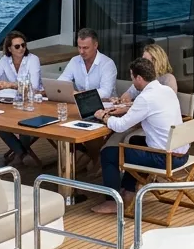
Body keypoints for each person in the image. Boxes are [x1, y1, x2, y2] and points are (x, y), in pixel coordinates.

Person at [90, 57, 185, 215]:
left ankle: (112, 202)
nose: (132, 81)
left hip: (165, 158)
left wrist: (104, 116)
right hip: (180, 152)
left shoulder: (145, 98)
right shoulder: (166, 90)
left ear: (139, 78)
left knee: (108, 154)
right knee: (134, 141)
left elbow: (120, 126)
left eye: (132, 77)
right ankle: (128, 190)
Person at [79, 44, 179, 174]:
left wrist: (104, 116)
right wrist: (122, 102)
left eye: (146, 59)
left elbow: (123, 124)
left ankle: (105, 174)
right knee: (126, 141)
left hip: (162, 148)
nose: (142, 61)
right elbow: (129, 95)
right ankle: (126, 183)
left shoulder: (164, 82)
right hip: (175, 148)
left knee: (110, 152)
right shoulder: (152, 85)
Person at [0, 30, 44, 167]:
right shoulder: (5, 60)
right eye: (17, 46)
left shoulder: (33, 60)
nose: (21, 48)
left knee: (24, 122)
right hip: (14, 101)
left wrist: (10, 84)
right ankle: (21, 152)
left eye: (23, 45)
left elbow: (33, 86)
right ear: (9, 49)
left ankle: (19, 153)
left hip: (33, 101)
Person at [59, 27, 118, 99]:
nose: (81, 52)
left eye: (85, 48)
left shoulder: (107, 64)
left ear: (95, 45)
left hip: (105, 104)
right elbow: (61, 82)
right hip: (81, 103)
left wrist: (80, 94)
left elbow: (105, 93)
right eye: (79, 47)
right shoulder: (74, 61)